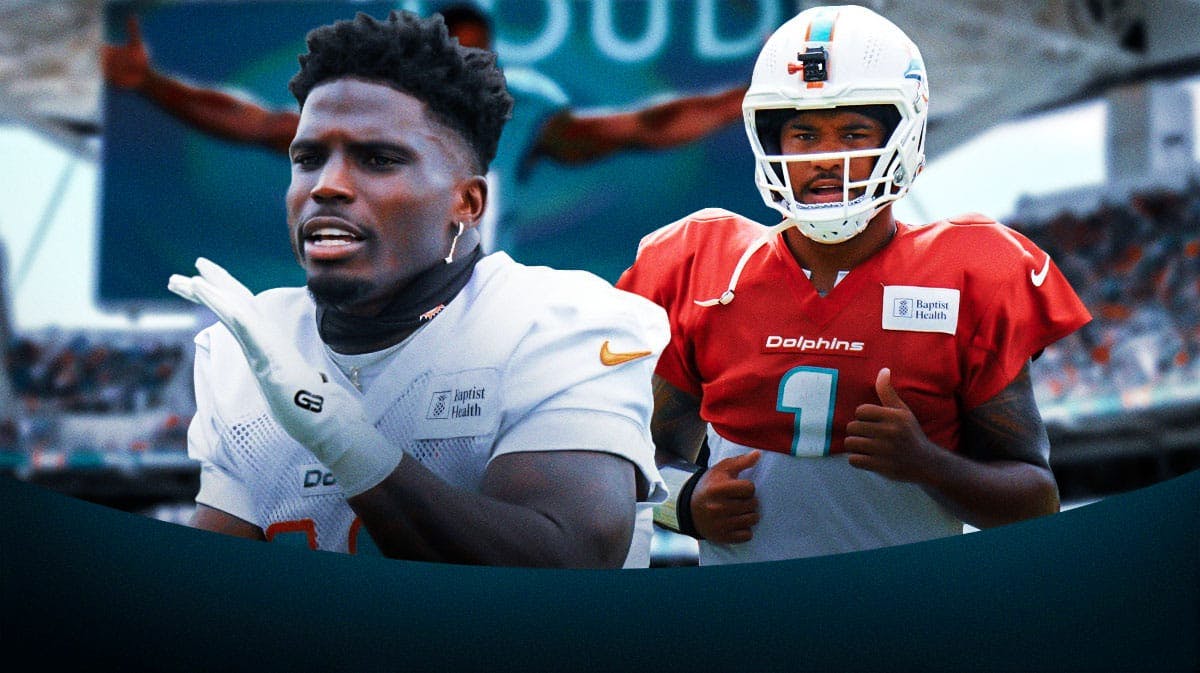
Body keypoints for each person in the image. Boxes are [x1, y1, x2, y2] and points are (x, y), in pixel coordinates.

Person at [165, 10, 671, 568]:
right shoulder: (251, 346)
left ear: (467, 203)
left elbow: (569, 559)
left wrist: (336, 433)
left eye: (378, 159)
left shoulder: (561, 321)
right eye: (308, 159)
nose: (326, 186)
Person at [616, 5, 1093, 564]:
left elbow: (1036, 502)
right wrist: (687, 502)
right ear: (771, 140)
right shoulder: (700, 266)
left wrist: (928, 463)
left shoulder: (970, 274)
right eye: (803, 133)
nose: (826, 159)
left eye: (852, 132)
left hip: (907, 630)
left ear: (904, 135)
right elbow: (627, 465)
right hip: (746, 635)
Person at [101, 3, 748, 257]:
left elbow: (641, 127)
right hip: (378, 311)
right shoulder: (368, 112)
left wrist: (741, 99)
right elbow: (253, 123)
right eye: (452, 56)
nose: (466, 71)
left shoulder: (518, 119)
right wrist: (150, 84)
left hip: (479, 315)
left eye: (479, 58)